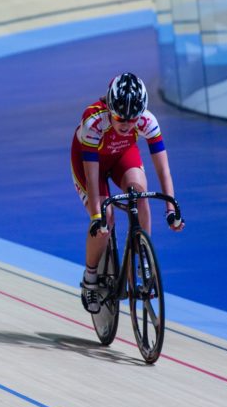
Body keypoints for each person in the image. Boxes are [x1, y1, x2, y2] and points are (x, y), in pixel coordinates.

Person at [71, 72, 184, 313]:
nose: (126, 125)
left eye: (132, 120)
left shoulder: (147, 121)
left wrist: (171, 209)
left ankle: (143, 257)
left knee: (141, 196)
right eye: (120, 118)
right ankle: (90, 279)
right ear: (110, 108)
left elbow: (164, 170)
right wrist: (96, 218)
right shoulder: (93, 121)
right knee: (107, 216)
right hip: (90, 163)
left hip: (121, 155)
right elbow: (92, 178)